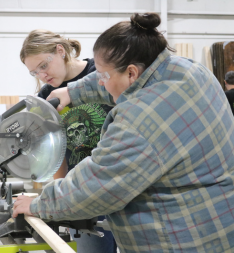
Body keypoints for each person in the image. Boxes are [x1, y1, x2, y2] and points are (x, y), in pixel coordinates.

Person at [13, 13, 234, 252]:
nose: (101, 82)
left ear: (131, 73)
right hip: (219, 222)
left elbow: (97, 185)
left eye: (104, 76)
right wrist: (72, 92)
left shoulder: (140, 119)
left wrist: (39, 203)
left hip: (182, 239)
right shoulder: (186, 70)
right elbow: (120, 83)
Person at [20, 29, 116, 253]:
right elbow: (56, 151)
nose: (42, 75)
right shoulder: (47, 96)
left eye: (44, 66)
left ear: (60, 51)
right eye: (35, 72)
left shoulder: (98, 73)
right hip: (82, 195)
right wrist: (58, 198)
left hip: (118, 184)